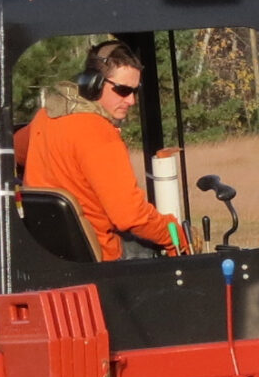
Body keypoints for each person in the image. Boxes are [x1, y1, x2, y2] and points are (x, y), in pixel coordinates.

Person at [17, 40, 186, 260]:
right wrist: (177, 236)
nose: (131, 100)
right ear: (93, 83)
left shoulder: (45, 117)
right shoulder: (101, 136)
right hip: (101, 257)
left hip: (51, 255)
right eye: (123, 90)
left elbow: (15, 151)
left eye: (135, 91)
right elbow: (131, 216)